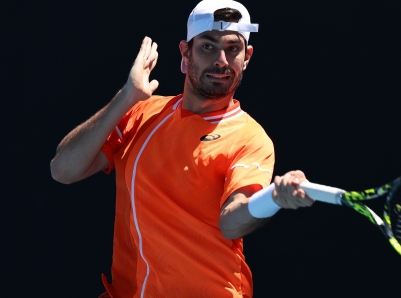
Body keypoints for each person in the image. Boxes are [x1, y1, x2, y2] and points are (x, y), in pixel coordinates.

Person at [50, 0, 314, 297]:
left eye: (233, 49)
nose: (222, 61)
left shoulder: (251, 138)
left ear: (247, 57)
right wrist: (126, 97)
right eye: (208, 47)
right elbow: (63, 170)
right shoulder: (141, 111)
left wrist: (273, 199)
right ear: (185, 53)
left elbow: (231, 222)